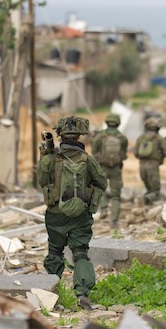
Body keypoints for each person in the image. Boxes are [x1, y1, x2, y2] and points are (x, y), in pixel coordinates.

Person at [37, 115, 107, 310]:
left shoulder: (50, 159)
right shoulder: (88, 160)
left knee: (55, 252)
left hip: (55, 214)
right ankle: (82, 293)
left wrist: (44, 157)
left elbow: (42, 181)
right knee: (80, 253)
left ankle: (51, 292)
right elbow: (102, 182)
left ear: (59, 136)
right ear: (79, 136)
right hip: (80, 215)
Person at [91, 113, 128, 228]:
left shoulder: (100, 136)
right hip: (116, 169)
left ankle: (103, 209)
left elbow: (94, 151)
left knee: (100, 189)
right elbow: (124, 154)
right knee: (116, 196)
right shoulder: (122, 138)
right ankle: (114, 222)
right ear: (118, 123)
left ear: (107, 122)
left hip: (102, 168)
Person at [134, 116, 166, 205]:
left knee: (149, 189)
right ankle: (145, 199)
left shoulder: (141, 138)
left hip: (142, 166)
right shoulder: (159, 138)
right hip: (153, 166)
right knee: (156, 192)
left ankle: (146, 201)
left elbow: (136, 153)